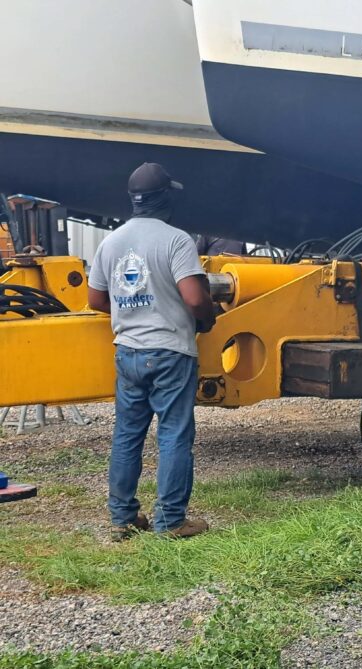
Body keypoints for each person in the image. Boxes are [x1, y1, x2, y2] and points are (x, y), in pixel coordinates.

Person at [87, 163, 216, 541]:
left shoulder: (111, 242)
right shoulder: (176, 240)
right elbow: (194, 298)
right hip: (170, 352)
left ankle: (123, 519)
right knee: (174, 434)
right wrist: (206, 319)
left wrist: (134, 312)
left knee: (127, 434)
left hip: (128, 350)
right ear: (167, 198)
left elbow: (95, 298)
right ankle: (171, 522)